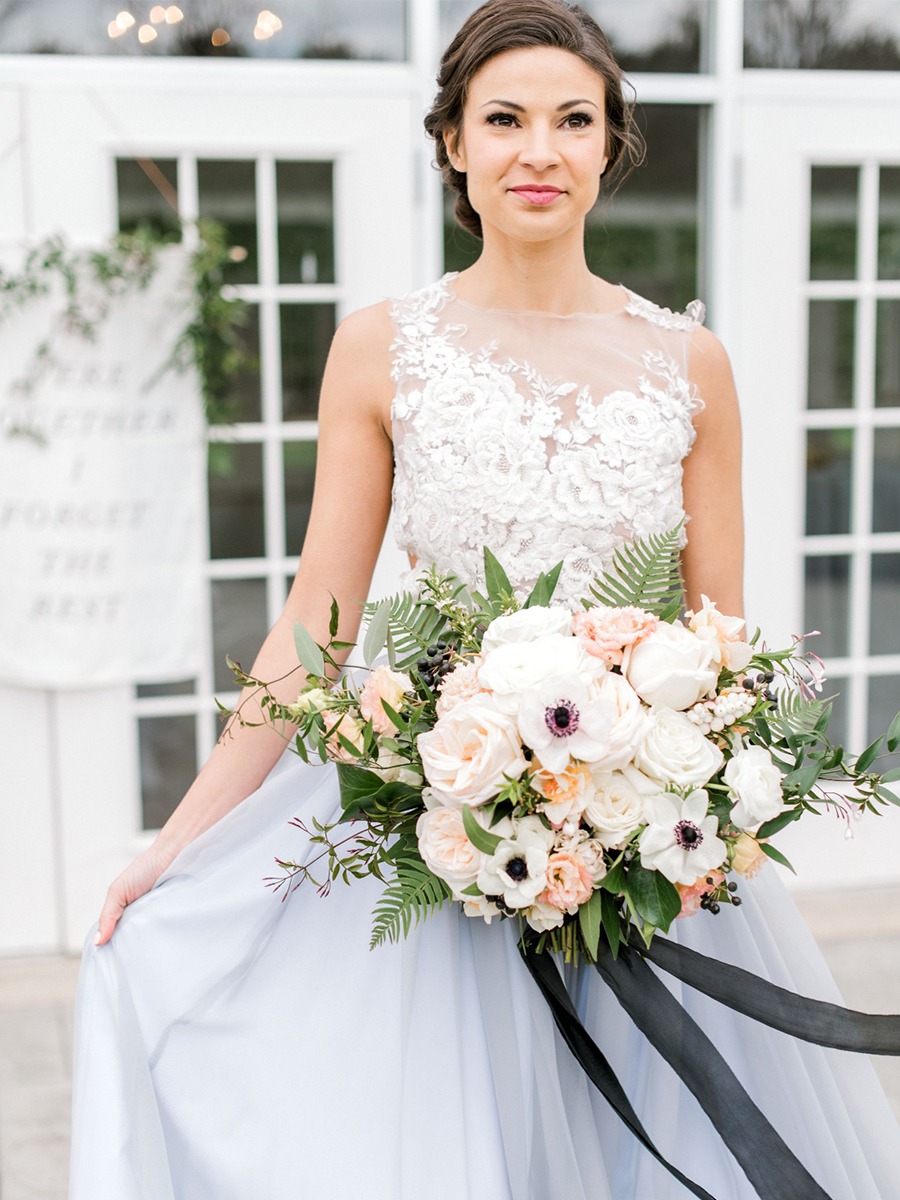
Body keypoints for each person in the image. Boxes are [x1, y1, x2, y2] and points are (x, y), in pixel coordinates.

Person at [69, 2, 900, 1197]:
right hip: (437, 839)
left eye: (574, 120)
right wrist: (176, 842)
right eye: (503, 119)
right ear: (454, 143)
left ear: (611, 145)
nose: (539, 150)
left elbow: (723, 643)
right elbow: (317, 624)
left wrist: (668, 794)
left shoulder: (690, 365)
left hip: (638, 856)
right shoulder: (382, 348)